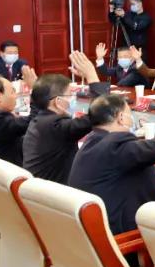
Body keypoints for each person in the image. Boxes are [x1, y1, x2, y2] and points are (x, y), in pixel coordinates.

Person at [68, 88, 155, 234]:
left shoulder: (92, 141)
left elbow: (129, 168)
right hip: (120, 235)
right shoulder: (115, 145)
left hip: (91, 229)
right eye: (130, 114)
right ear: (121, 117)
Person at [22, 51, 109, 184]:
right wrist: (91, 75)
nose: (72, 99)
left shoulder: (40, 118)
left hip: (39, 188)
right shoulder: (56, 125)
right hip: (56, 192)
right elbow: (100, 114)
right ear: (57, 101)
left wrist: (36, 87)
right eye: (70, 95)